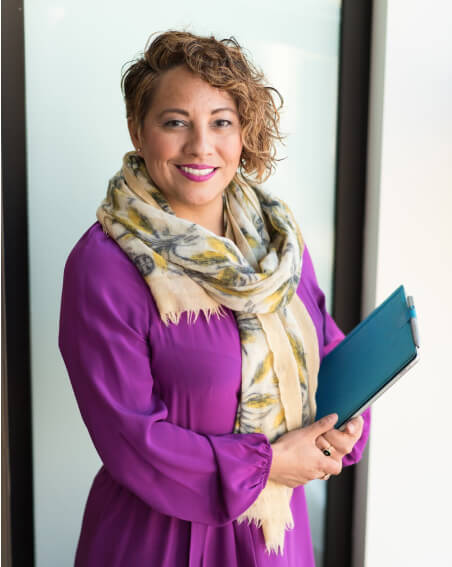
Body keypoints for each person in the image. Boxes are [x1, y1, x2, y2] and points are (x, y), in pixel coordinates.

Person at [58, 30, 370, 567]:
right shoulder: (104, 266)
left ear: (243, 132)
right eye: (175, 121)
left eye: (221, 121)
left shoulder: (278, 240)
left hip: (275, 538)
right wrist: (267, 464)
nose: (201, 146)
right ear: (138, 129)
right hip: (163, 542)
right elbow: (133, 438)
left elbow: (322, 344)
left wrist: (344, 424)